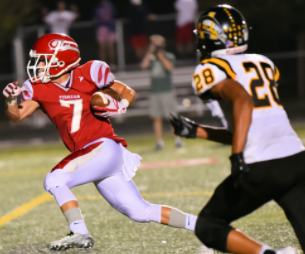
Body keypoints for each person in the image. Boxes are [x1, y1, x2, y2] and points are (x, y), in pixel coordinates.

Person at [170, 5, 305, 254]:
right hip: (298, 161)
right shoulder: (263, 62)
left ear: (212, 37)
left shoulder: (209, 69)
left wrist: (237, 155)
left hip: (263, 166)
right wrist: (197, 131)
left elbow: (243, 101)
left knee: (208, 225)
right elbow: (248, 124)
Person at [2, 33, 197, 251]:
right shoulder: (39, 87)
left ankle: (79, 232)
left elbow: (126, 91)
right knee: (139, 211)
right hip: (95, 156)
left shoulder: (89, 72)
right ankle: (204, 226)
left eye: (45, 59)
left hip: (104, 147)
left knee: (55, 179)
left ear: (62, 60)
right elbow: (16, 116)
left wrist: (120, 106)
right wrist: (11, 100)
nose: (39, 65)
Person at [141, 35, 182, 150]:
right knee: (156, 117)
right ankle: (159, 141)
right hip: (155, 91)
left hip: (167, 90)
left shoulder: (169, 56)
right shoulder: (151, 58)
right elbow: (143, 65)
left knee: (172, 116)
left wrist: (161, 56)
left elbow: (169, 67)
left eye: (158, 43)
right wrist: (150, 51)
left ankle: (178, 139)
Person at [94, 0, 118, 71]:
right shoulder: (97, 7)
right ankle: (102, 65)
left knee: (111, 47)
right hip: (101, 28)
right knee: (102, 48)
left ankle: (112, 63)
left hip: (111, 29)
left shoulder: (112, 6)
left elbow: (115, 16)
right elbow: (95, 18)